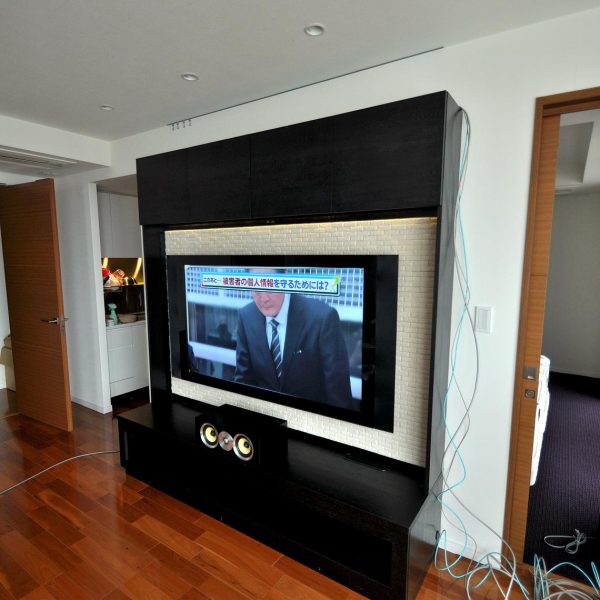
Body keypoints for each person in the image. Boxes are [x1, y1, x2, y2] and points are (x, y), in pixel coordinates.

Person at [234, 288, 355, 410]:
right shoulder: (246, 316)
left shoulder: (322, 317)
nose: (264, 299)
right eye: (257, 291)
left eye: (270, 289)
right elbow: (243, 379)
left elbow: (338, 395)